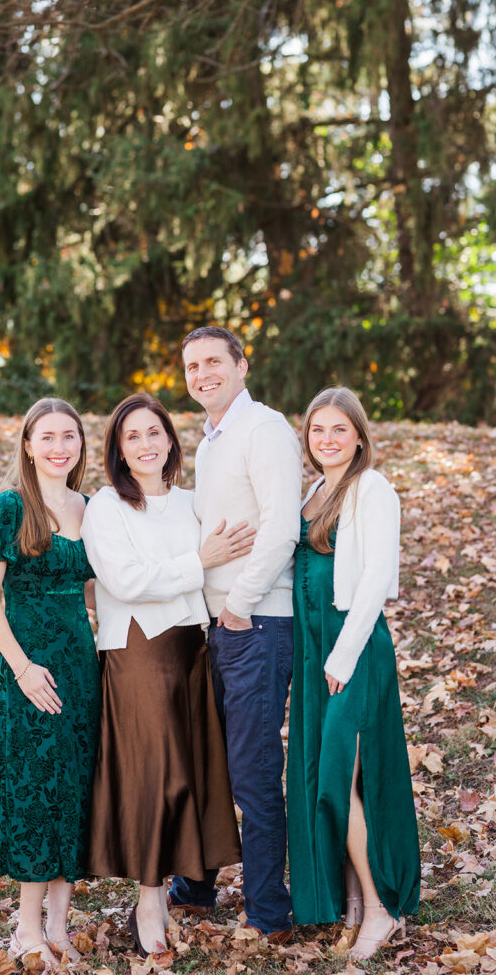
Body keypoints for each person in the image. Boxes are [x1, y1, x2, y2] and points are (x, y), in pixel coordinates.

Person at [80, 393, 249, 957]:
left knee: (190, 770)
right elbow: (128, 581)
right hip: (139, 650)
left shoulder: (190, 503)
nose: (146, 444)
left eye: (155, 433)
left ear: (171, 442)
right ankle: (148, 899)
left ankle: (188, 883)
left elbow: (220, 562)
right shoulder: (107, 507)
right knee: (155, 775)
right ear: (119, 451)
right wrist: (198, 562)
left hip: (192, 648)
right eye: (133, 437)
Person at [169, 327, 302, 944]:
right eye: (193, 366)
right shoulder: (211, 441)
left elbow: (282, 531)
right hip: (216, 626)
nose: (202, 374)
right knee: (209, 762)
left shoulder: (265, 428)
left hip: (257, 622)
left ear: (241, 366)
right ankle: (195, 887)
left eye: (213, 362)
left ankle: (269, 911)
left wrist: (242, 606)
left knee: (250, 770)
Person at [286, 387, 420, 959]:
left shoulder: (373, 488)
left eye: (339, 429)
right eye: (318, 430)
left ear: (359, 435)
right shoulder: (314, 491)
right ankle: (354, 901)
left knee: (341, 777)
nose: (328, 439)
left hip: (353, 649)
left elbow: (375, 581)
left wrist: (341, 658)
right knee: (323, 776)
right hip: (312, 649)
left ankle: (382, 908)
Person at [0, 397, 101, 971]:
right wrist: (22, 668)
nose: (58, 448)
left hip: (79, 665)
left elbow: (98, 592)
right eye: (46, 437)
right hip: (29, 669)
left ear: (80, 444)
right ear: (28, 444)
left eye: (68, 437)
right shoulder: (9, 507)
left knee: (74, 786)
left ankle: (57, 925)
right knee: (35, 787)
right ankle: (24, 930)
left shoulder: (93, 508)